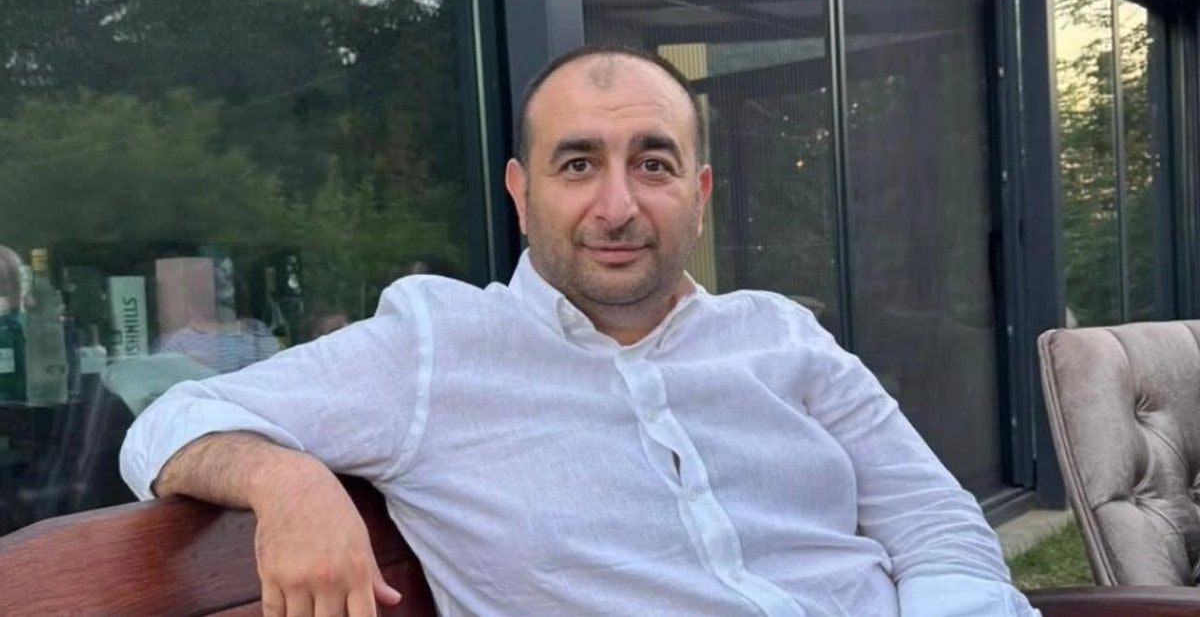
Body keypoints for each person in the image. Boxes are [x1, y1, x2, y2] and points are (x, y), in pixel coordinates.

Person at [120, 45, 1039, 617]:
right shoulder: (433, 347)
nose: (617, 205)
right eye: (577, 164)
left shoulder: (781, 336)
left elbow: (933, 520)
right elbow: (166, 419)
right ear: (522, 193)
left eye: (653, 164)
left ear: (699, 195)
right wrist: (286, 480)